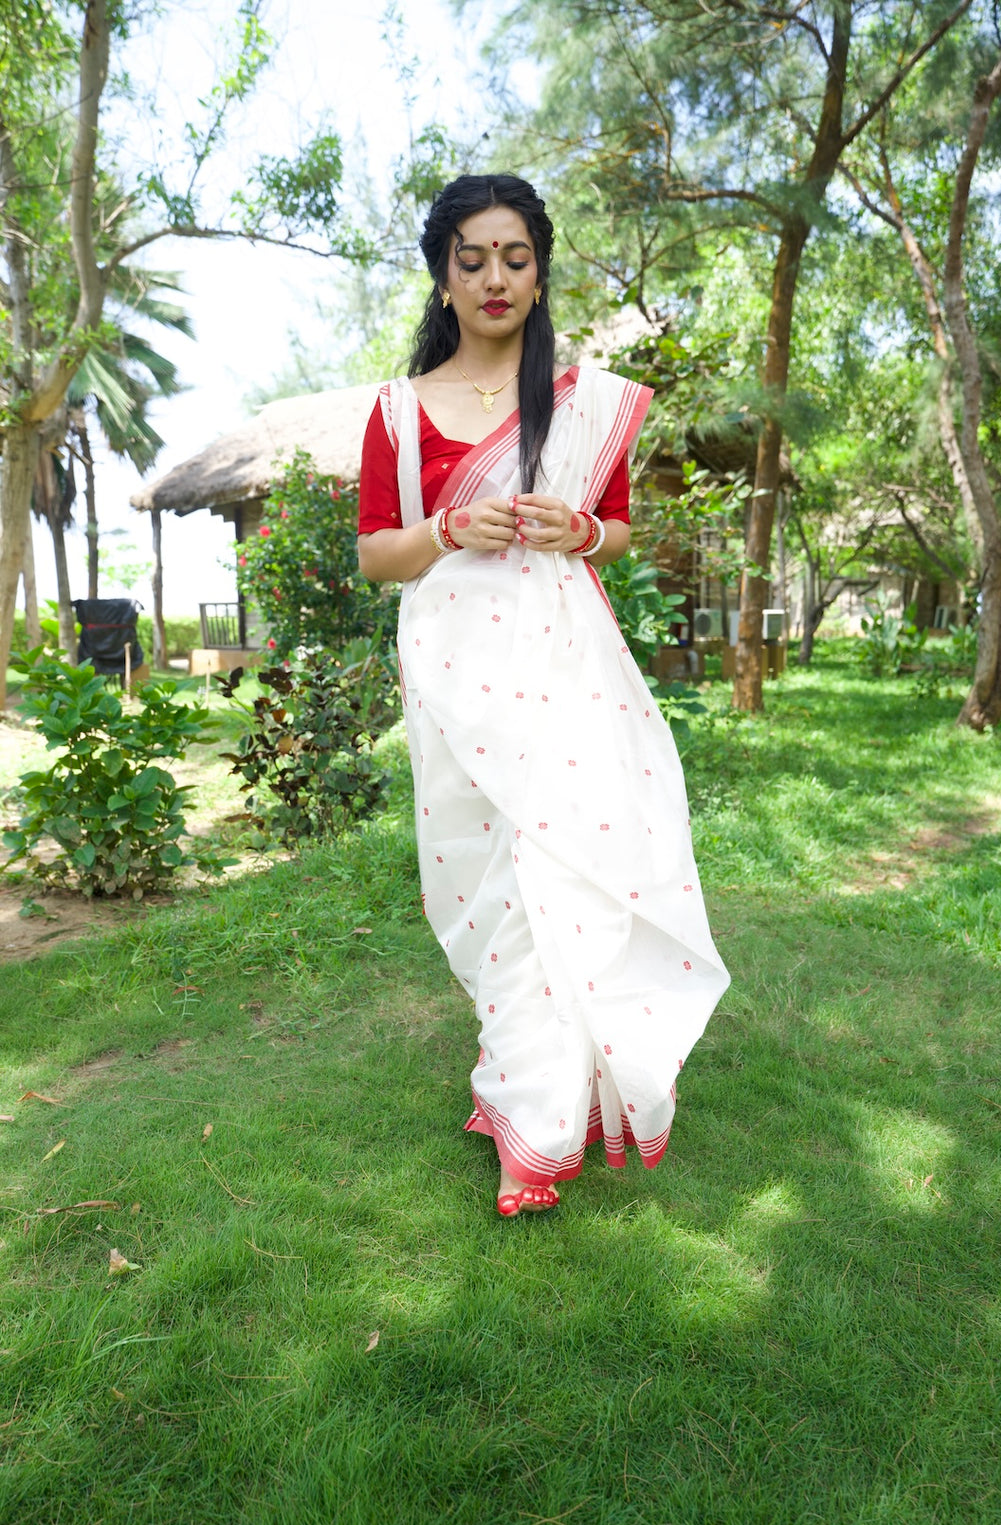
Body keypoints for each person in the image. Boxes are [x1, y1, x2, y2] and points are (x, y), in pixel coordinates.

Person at [357, 173, 729, 1218]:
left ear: (538, 271)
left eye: (513, 257)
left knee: (565, 866)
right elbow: (378, 555)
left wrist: (580, 533)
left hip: (565, 662)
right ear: (441, 276)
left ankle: (543, 1128)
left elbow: (613, 528)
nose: (493, 277)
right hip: (453, 669)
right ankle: (522, 1080)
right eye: (470, 258)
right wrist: (445, 531)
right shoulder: (397, 411)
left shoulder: (581, 401)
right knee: (491, 882)